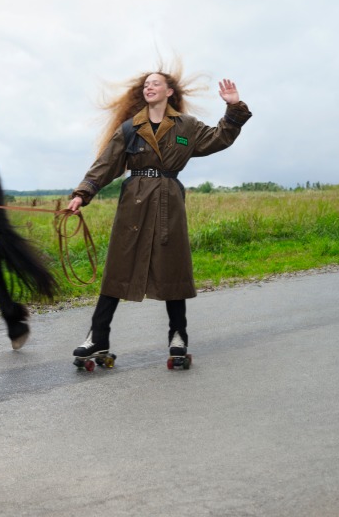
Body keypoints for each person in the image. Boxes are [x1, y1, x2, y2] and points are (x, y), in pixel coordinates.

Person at [66, 66, 252, 362]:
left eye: (155, 84)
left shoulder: (186, 126)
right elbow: (106, 163)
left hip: (169, 202)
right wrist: (81, 194)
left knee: (172, 268)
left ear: (169, 92)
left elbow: (220, 138)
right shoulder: (130, 128)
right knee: (118, 266)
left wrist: (233, 107)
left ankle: (178, 335)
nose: (149, 88)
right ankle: (97, 337)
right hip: (133, 204)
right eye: (146, 85)